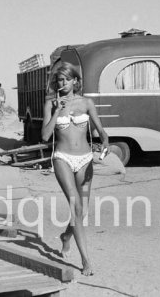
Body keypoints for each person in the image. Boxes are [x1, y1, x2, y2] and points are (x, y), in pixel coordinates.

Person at [41, 62, 109, 276]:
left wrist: (106, 142)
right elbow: (44, 136)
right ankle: (86, 261)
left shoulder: (87, 103)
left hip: (85, 160)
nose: (62, 83)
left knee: (83, 211)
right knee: (76, 207)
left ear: (75, 81)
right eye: (59, 80)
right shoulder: (51, 103)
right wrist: (56, 111)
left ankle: (66, 237)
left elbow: (101, 131)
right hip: (62, 158)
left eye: (66, 79)